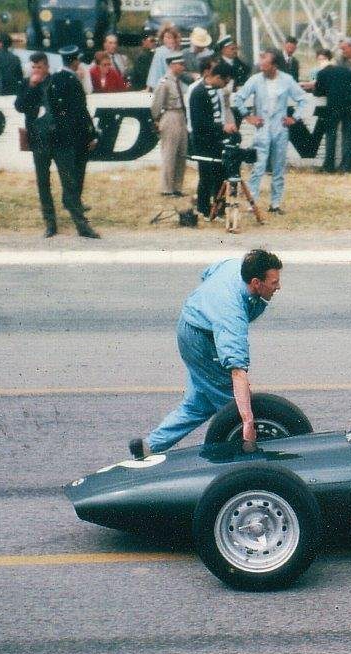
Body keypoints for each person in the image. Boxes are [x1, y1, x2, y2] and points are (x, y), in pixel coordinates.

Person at [132, 249, 284, 458]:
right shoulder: (231, 313)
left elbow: (207, 273)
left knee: (198, 404)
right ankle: (249, 457)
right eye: (274, 282)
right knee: (233, 405)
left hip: (191, 327)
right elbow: (237, 370)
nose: (278, 286)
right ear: (256, 282)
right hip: (200, 341)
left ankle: (148, 447)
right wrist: (248, 424)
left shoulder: (236, 265)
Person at [14, 50, 100, 239]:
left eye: (39, 67)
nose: (36, 70)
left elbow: (77, 108)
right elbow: (20, 106)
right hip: (39, 140)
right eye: (33, 67)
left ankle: (81, 224)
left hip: (61, 139)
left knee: (69, 181)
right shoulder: (27, 84)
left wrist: (87, 133)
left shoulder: (60, 80)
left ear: (46, 66)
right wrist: (31, 86)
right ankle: (50, 223)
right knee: (43, 182)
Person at [236, 49, 311, 213]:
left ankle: (275, 204)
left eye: (266, 62)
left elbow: (304, 99)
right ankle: (252, 203)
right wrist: (248, 116)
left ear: (274, 65)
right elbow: (239, 97)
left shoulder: (287, 80)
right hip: (262, 127)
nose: (262, 65)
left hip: (280, 127)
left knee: (278, 167)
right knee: (258, 166)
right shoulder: (255, 80)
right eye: (261, 61)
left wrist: (295, 118)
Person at [187, 59, 236, 217]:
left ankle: (219, 207)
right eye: (224, 82)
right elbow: (199, 123)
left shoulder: (215, 91)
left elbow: (218, 116)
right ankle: (203, 208)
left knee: (220, 174)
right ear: (217, 77)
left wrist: (225, 130)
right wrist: (222, 128)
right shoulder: (198, 92)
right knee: (206, 176)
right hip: (202, 141)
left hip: (215, 139)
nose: (224, 86)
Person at [313, 47, 351, 173]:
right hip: (350, 104)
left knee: (331, 134)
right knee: (349, 135)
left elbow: (317, 92)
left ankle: (329, 165)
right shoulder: (345, 70)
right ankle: (346, 166)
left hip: (334, 105)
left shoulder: (321, 73)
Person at [150, 51, 188, 197]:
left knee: (181, 153)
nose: (183, 67)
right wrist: (156, 120)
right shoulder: (164, 82)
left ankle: (177, 186)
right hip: (170, 115)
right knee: (169, 153)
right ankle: (167, 188)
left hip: (180, 116)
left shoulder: (177, 81)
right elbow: (156, 105)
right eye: (180, 64)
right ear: (172, 65)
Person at [146, 24, 182, 90]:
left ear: (175, 39)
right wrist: (149, 87)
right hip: (161, 85)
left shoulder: (178, 52)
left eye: (169, 37)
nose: (167, 40)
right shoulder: (159, 52)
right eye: (165, 37)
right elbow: (154, 70)